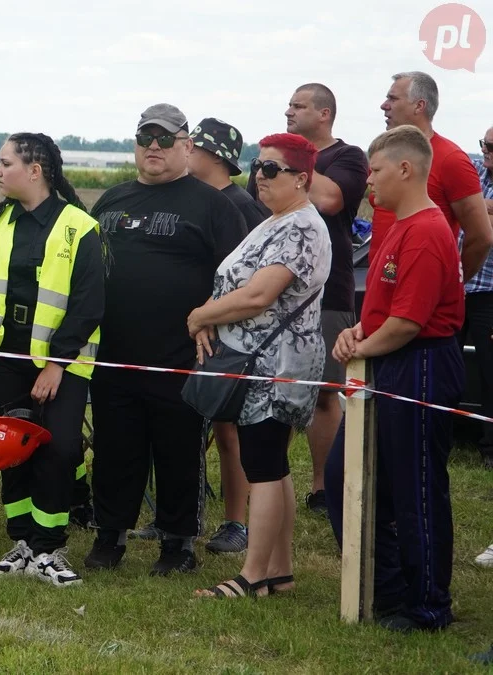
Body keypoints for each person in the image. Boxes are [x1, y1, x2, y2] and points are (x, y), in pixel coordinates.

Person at [82, 104, 246, 577]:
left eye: (166, 138)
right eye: (145, 137)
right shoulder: (111, 201)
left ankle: (178, 545)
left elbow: (235, 278)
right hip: (114, 354)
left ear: (187, 146)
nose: (154, 146)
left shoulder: (214, 205)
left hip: (182, 355)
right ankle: (109, 535)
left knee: (178, 451)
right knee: (115, 448)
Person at [325, 125, 465, 633]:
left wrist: (359, 348)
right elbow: (385, 311)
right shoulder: (399, 226)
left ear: (406, 169)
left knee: (416, 488)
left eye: (376, 172)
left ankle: (427, 605)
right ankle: (387, 587)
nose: (369, 185)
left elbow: (409, 323)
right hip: (388, 358)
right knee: (348, 476)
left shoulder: (427, 230)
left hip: (420, 364)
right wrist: (356, 334)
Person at [188, 134, 331, 598]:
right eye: (257, 166)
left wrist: (199, 316)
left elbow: (258, 295)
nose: (259, 176)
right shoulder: (274, 220)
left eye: (271, 170)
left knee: (264, 466)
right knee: (270, 464)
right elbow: (233, 280)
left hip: (278, 365)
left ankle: (252, 578)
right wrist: (209, 317)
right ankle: (279, 573)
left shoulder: (302, 228)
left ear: (302, 179)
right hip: (256, 361)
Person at [0, 132, 104, 587]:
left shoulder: (79, 226)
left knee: (60, 448)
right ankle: (22, 540)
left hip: (62, 363)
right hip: (5, 360)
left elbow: (88, 303)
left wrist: (57, 363)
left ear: (35, 170)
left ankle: (50, 545)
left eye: (5, 163)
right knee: (9, 448)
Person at [246, 83, 371, 517]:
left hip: (327, 291)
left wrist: (296, 161)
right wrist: (275, 162)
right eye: (287, 105)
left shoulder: (348, 157)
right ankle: (268, 474)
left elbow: (332, 200)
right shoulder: (270, 159)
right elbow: (255, 208)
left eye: (298, 106)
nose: (288, 111)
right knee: (267, 387)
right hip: (271, 289)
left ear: (324, 113)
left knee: (323, 393)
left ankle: (322, 487)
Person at [187, 117, 265, 555]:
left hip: (227, 336)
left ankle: (236, 521)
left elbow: (251, 282)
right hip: (196, 327)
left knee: (228, 426)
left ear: (212, 155)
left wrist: (214, 319)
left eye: (191, 147)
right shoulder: (194, 199)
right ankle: (182, 515)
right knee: (194, 423)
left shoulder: (239, 207)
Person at [371, 72, 489, 281]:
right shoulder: (386, 153)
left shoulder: (451, 159)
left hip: (420, 294)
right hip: (380, 286)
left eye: (393, 98)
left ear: (419, 106)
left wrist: (450, 283)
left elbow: (481, 236)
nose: (384, 105)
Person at [464, 127, 493, 478]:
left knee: (489, 374)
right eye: (484, 144)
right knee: (443, 362)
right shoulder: (471, 169)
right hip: (457, 287)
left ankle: (490, 447)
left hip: (488, 292)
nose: (486, 152)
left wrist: (472, 206)